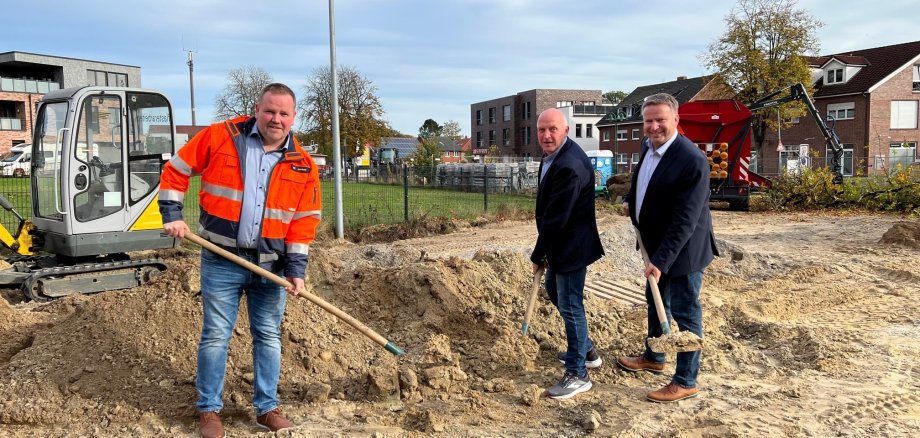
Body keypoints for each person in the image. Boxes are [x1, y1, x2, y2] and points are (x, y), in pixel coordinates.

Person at [159, 83, 321, 437]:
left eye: (283, 113)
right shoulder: (221, 136)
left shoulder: (303, 165)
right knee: (216, 335)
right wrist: (172, 212)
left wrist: (296, 270)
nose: (275, 119)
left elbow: (304, 221)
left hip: (272, 267)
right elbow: (176, 169)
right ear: (257, 109)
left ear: (294, 118)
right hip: (222, 259)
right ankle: (209, 410)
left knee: (268, 335)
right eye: (269, 111)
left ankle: (266, 408)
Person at [617, 93, 718, 403]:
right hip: (655, 245)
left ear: (676, 120)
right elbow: (645, 185)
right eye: (649, 120)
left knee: (686, 314)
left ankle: (686, 380)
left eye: (660, 119)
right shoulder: (647, 146)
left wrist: (660, 261)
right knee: (655, 301)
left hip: (684, 250)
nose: (654, 126)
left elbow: (685, 220)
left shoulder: (691, 160)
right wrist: (631, 203)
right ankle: (655, 356)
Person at [530, 108, 605, 400]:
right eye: (541, 130)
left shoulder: (570, 165)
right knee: (555, 290)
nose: (546, 135)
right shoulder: (554, 157)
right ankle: (586, 351)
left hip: (571, 244)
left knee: (571, 304)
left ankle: (578, 373)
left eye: (552, 129)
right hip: (562, 242)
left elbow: (557, 218)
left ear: (566, 131)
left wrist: (539, 253)